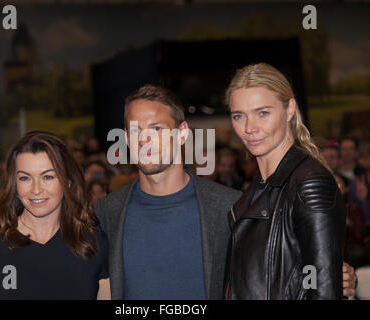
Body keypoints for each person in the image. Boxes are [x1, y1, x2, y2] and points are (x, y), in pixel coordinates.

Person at [95, 84, 356, 300]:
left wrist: (331, 274)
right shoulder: (106, 213)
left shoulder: (230, 207)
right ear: (126, 138)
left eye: (157, 129)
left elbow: (275, 266)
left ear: (182, 133)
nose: (144, 140)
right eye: (135, 130)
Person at [224, 63, 347, 299]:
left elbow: (322, 291)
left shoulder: (310, 184)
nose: (249, 128)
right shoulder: (257, 187)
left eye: (263, 113)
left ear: (289, 109)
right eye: (238, 116)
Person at [0, 131, 110, 300]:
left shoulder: (94, 244)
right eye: (25, 178)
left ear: (67, 182)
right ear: (14, 184)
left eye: (47, 176)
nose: (36, 189)